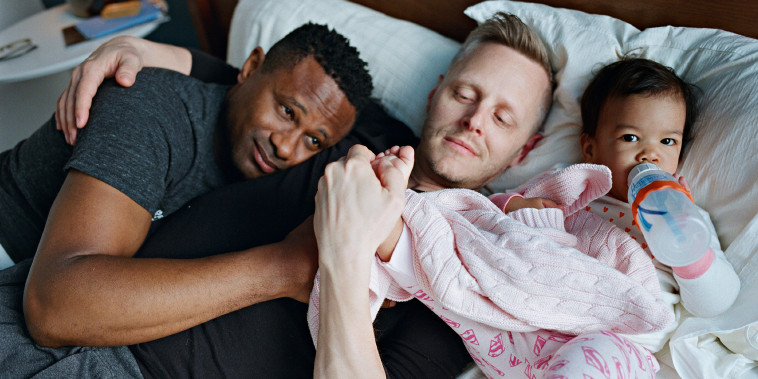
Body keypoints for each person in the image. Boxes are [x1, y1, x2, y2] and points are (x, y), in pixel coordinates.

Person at [11, 11, 555, 377]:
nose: (473, 121)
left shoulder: (476, 271)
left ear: (525, 151)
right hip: (65, 314)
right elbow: (268, 90)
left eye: (502, 117)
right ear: (436, 93)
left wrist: (332, 263)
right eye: (465, 93)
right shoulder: (355, 133)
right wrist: (146, 50)